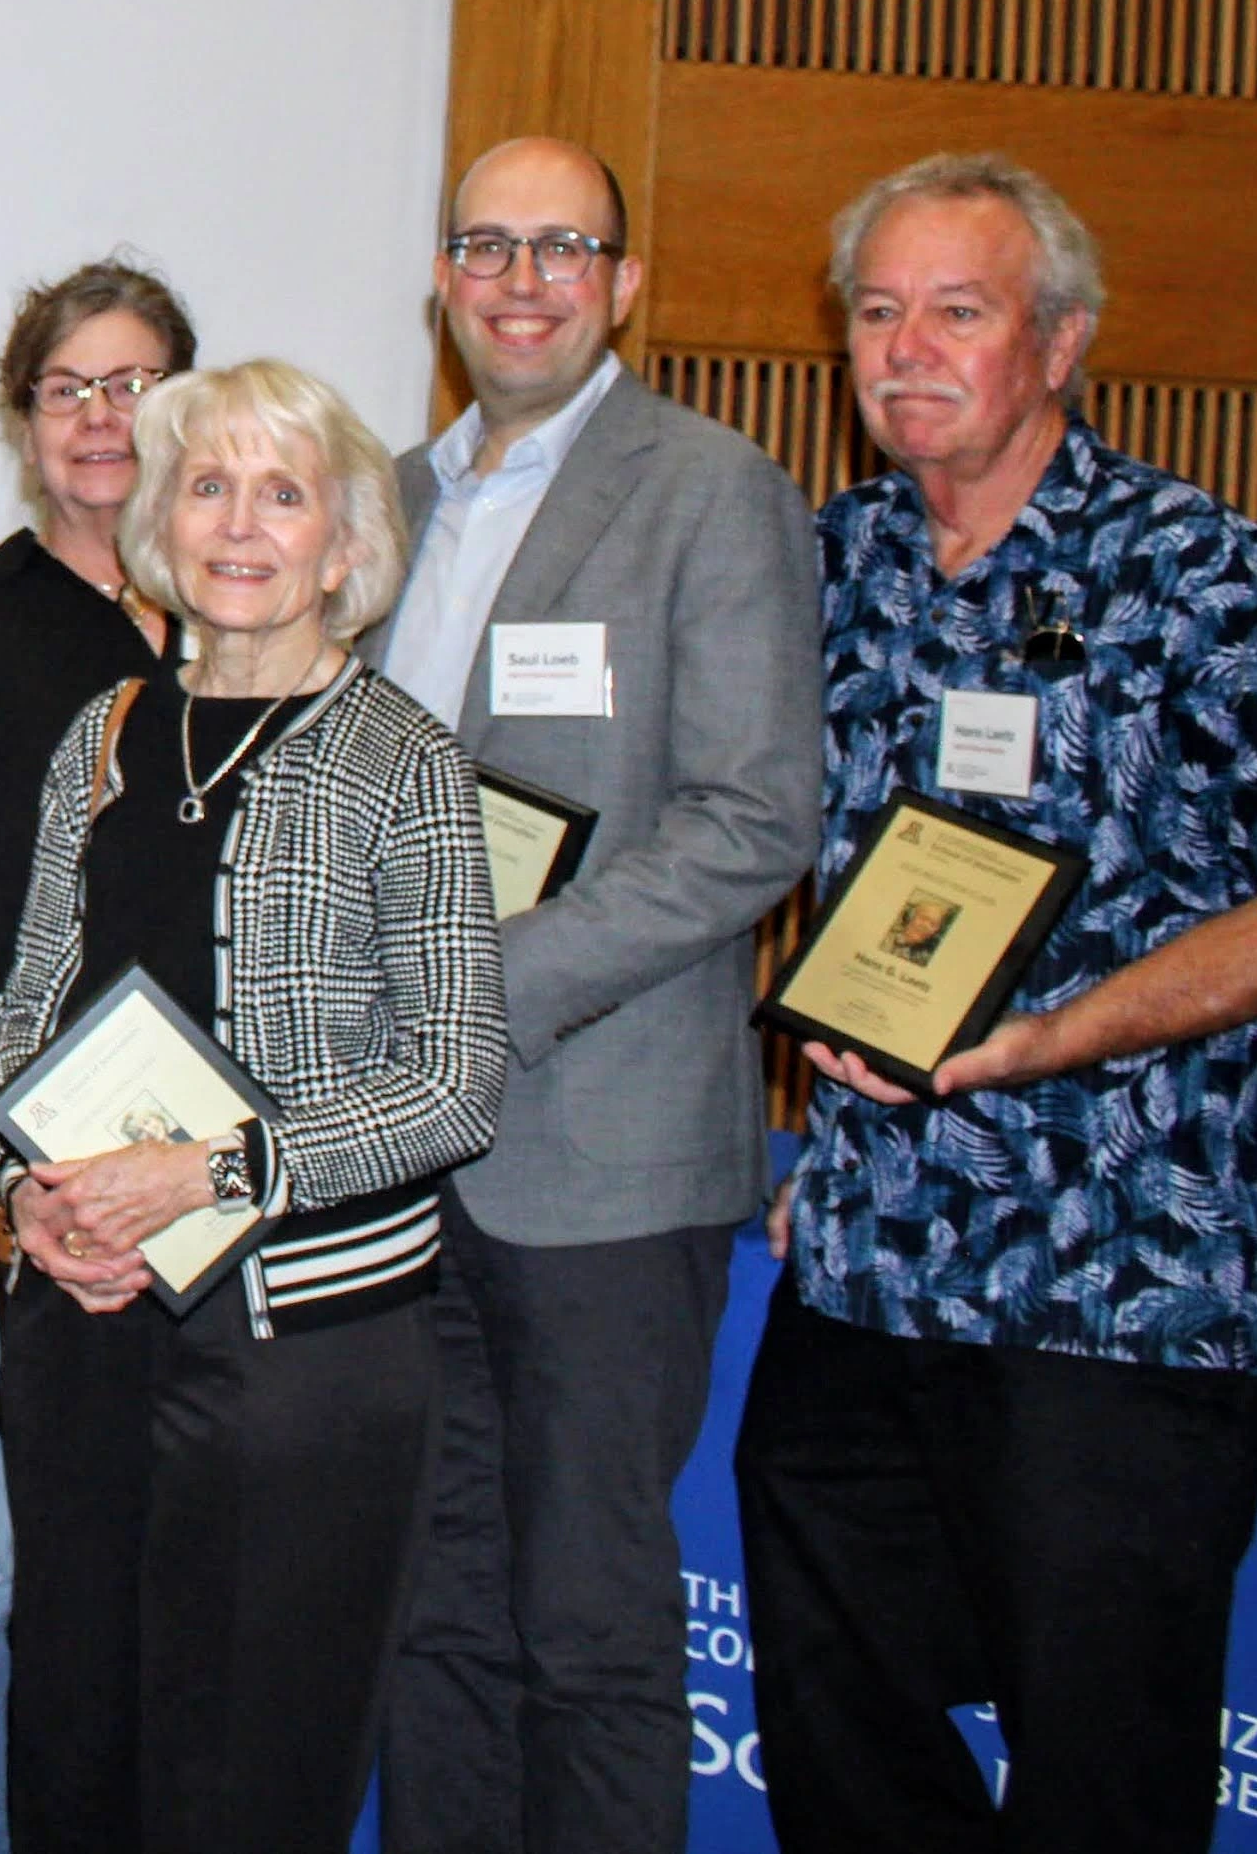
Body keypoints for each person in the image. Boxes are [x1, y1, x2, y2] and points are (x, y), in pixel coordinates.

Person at [737, 154, 1257, 1854]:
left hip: (1112, 1291)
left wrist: (1058, 1034)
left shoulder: (1190, 566)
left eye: (954, 311)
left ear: (1059, 342)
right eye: (875, 311)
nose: (902, 348)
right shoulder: (831, 564)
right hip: (864, 1265)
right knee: (834, 1733)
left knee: (1099, 1777)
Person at [0, 357, 509, 1854]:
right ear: (157, 520)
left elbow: (452, 1074)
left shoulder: (401, 758)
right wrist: (24, 1190)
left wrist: (214, 1171)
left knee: (245, 1768)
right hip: (86, 1320)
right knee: (72, 1727)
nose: (235, 523)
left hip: (299, 1355)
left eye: (281, 493)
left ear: (342, 544)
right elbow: (27, 998)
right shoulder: (99, 731)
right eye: (204, 485)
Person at [370, 139, 824, 1854]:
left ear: (623, 281)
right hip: (393, 1159)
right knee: (431, 1612)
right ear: (442, 275)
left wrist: (476, 988)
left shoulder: (711, 489)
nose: (520, 276)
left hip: (600, 1161)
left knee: (585, 1622)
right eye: (485, 242)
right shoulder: (389, 496)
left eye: (563, 244)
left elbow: (753, 816)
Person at [0, 256, 197, 1852]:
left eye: (134, 381)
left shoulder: (250, 621)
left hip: (197, 1186)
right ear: (22, 419)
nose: (102, 418)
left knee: (154, 1570)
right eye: (67, 386)